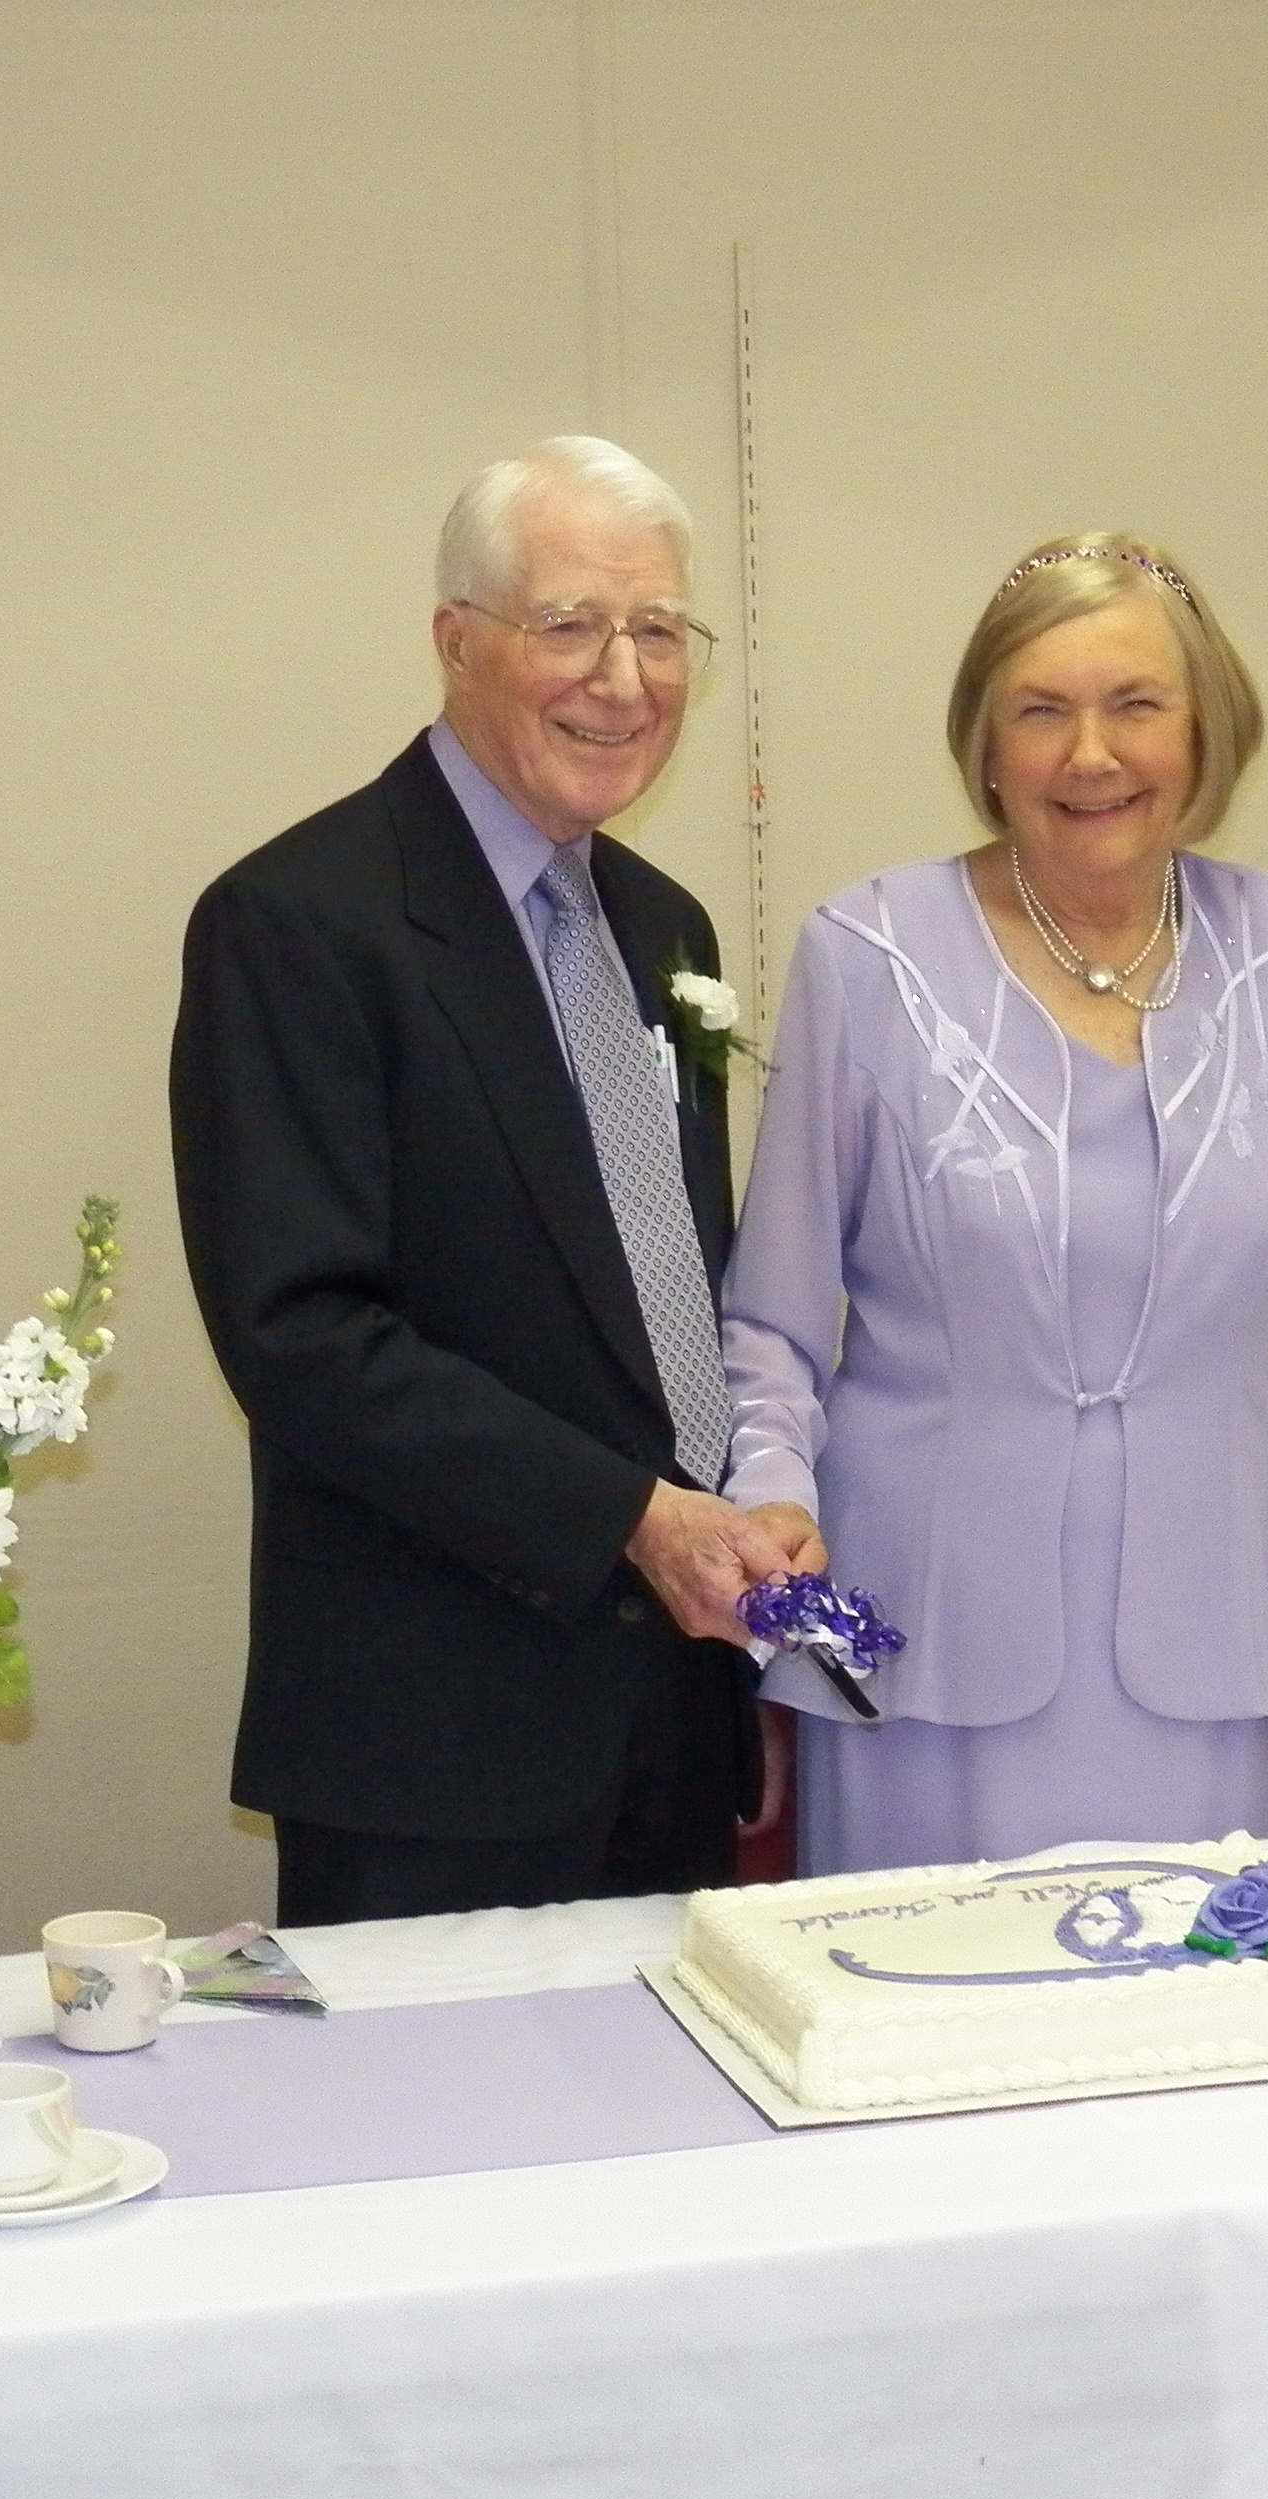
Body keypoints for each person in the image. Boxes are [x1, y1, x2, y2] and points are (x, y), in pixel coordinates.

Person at [716, 532, 1268, 1875]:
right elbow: (772, 1325)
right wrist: (771, 1520)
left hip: (1221, 1650)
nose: (1090, 756)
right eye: (1041, 711)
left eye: (1135, 705)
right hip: (923, 1653)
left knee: (1195, 1995)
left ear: (1205, 731)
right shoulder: (867, 954)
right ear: (985, 745)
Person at [170, 437, 795, 1923]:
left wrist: (742, 1558)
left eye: (660, 632)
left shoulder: (666, 929)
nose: (623, 680)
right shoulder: (300, 924)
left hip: (674, 1718)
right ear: (457, 642)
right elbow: (303, 1338)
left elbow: (666, 1304)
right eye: (570, 624)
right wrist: (629, 1518)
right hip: (434, 1749)